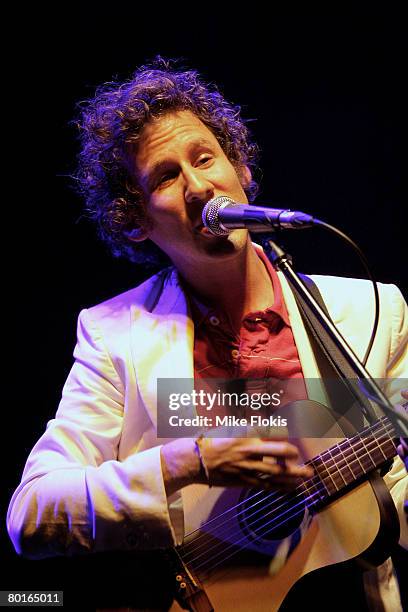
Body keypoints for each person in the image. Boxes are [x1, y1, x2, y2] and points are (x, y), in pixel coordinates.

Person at [7, 57, 407, 611]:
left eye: (205, 158)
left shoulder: (372, 310)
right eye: (166, 176)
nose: (198, 186)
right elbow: (31, 515)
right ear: (135, 219)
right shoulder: (113, 334)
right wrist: (188, 463)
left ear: (239, 170)